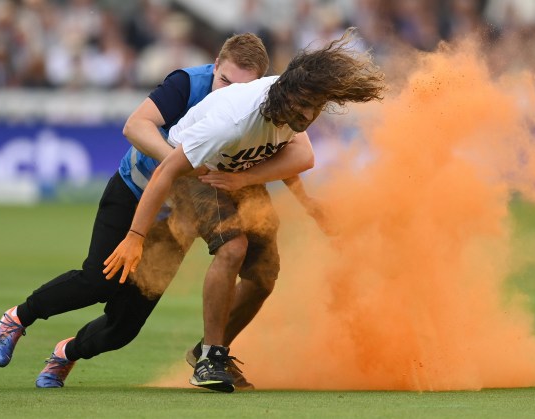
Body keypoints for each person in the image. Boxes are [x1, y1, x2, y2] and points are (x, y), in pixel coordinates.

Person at [0, 33, 316, 390]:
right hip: (134, 191)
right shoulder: (186, 83)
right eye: (224, 81)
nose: (227, 92)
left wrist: (306, 200)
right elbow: (135, 125)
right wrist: (181, 163)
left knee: (123, 328)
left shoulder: (253, 107)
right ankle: (17, 318)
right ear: (215, 65)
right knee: (100, 279)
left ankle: (66, 353)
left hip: (178, 218)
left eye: (240, 87)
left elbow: (279, 148)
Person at [104, 27, 386, 393]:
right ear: (283, 96)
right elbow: (167, 170)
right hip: (196, 170)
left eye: (315, 108)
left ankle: (209, 351)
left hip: (235, 170)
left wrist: (302, 201)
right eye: (303, 106)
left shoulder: (293, 108)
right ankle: (211, 359)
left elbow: (301, 155)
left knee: (265, 273)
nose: (307, 114)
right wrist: (134, 237)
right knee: (232, 247)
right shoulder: (231, 122)